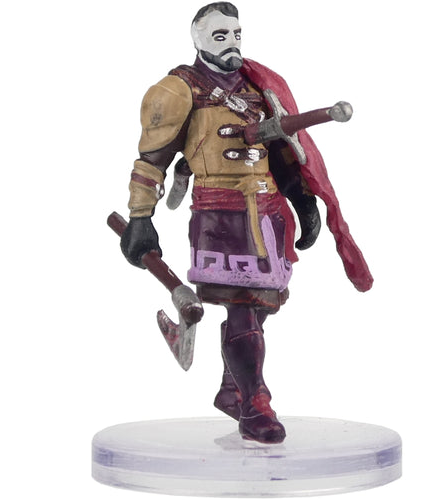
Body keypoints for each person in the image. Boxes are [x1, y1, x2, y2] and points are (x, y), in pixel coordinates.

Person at [120, 2, 373, 444]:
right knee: (242, 307)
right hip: (220, 212)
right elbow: (151, 161)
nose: (232, 42)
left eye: (236, 34)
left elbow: (282, 149)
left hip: (268, 214)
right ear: (198, 39)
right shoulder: (178, 89)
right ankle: (256, 405)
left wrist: (302, 199)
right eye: (220, 35)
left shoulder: (258, 86)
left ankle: (230, 388)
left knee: (262, 305)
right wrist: (141, 217)